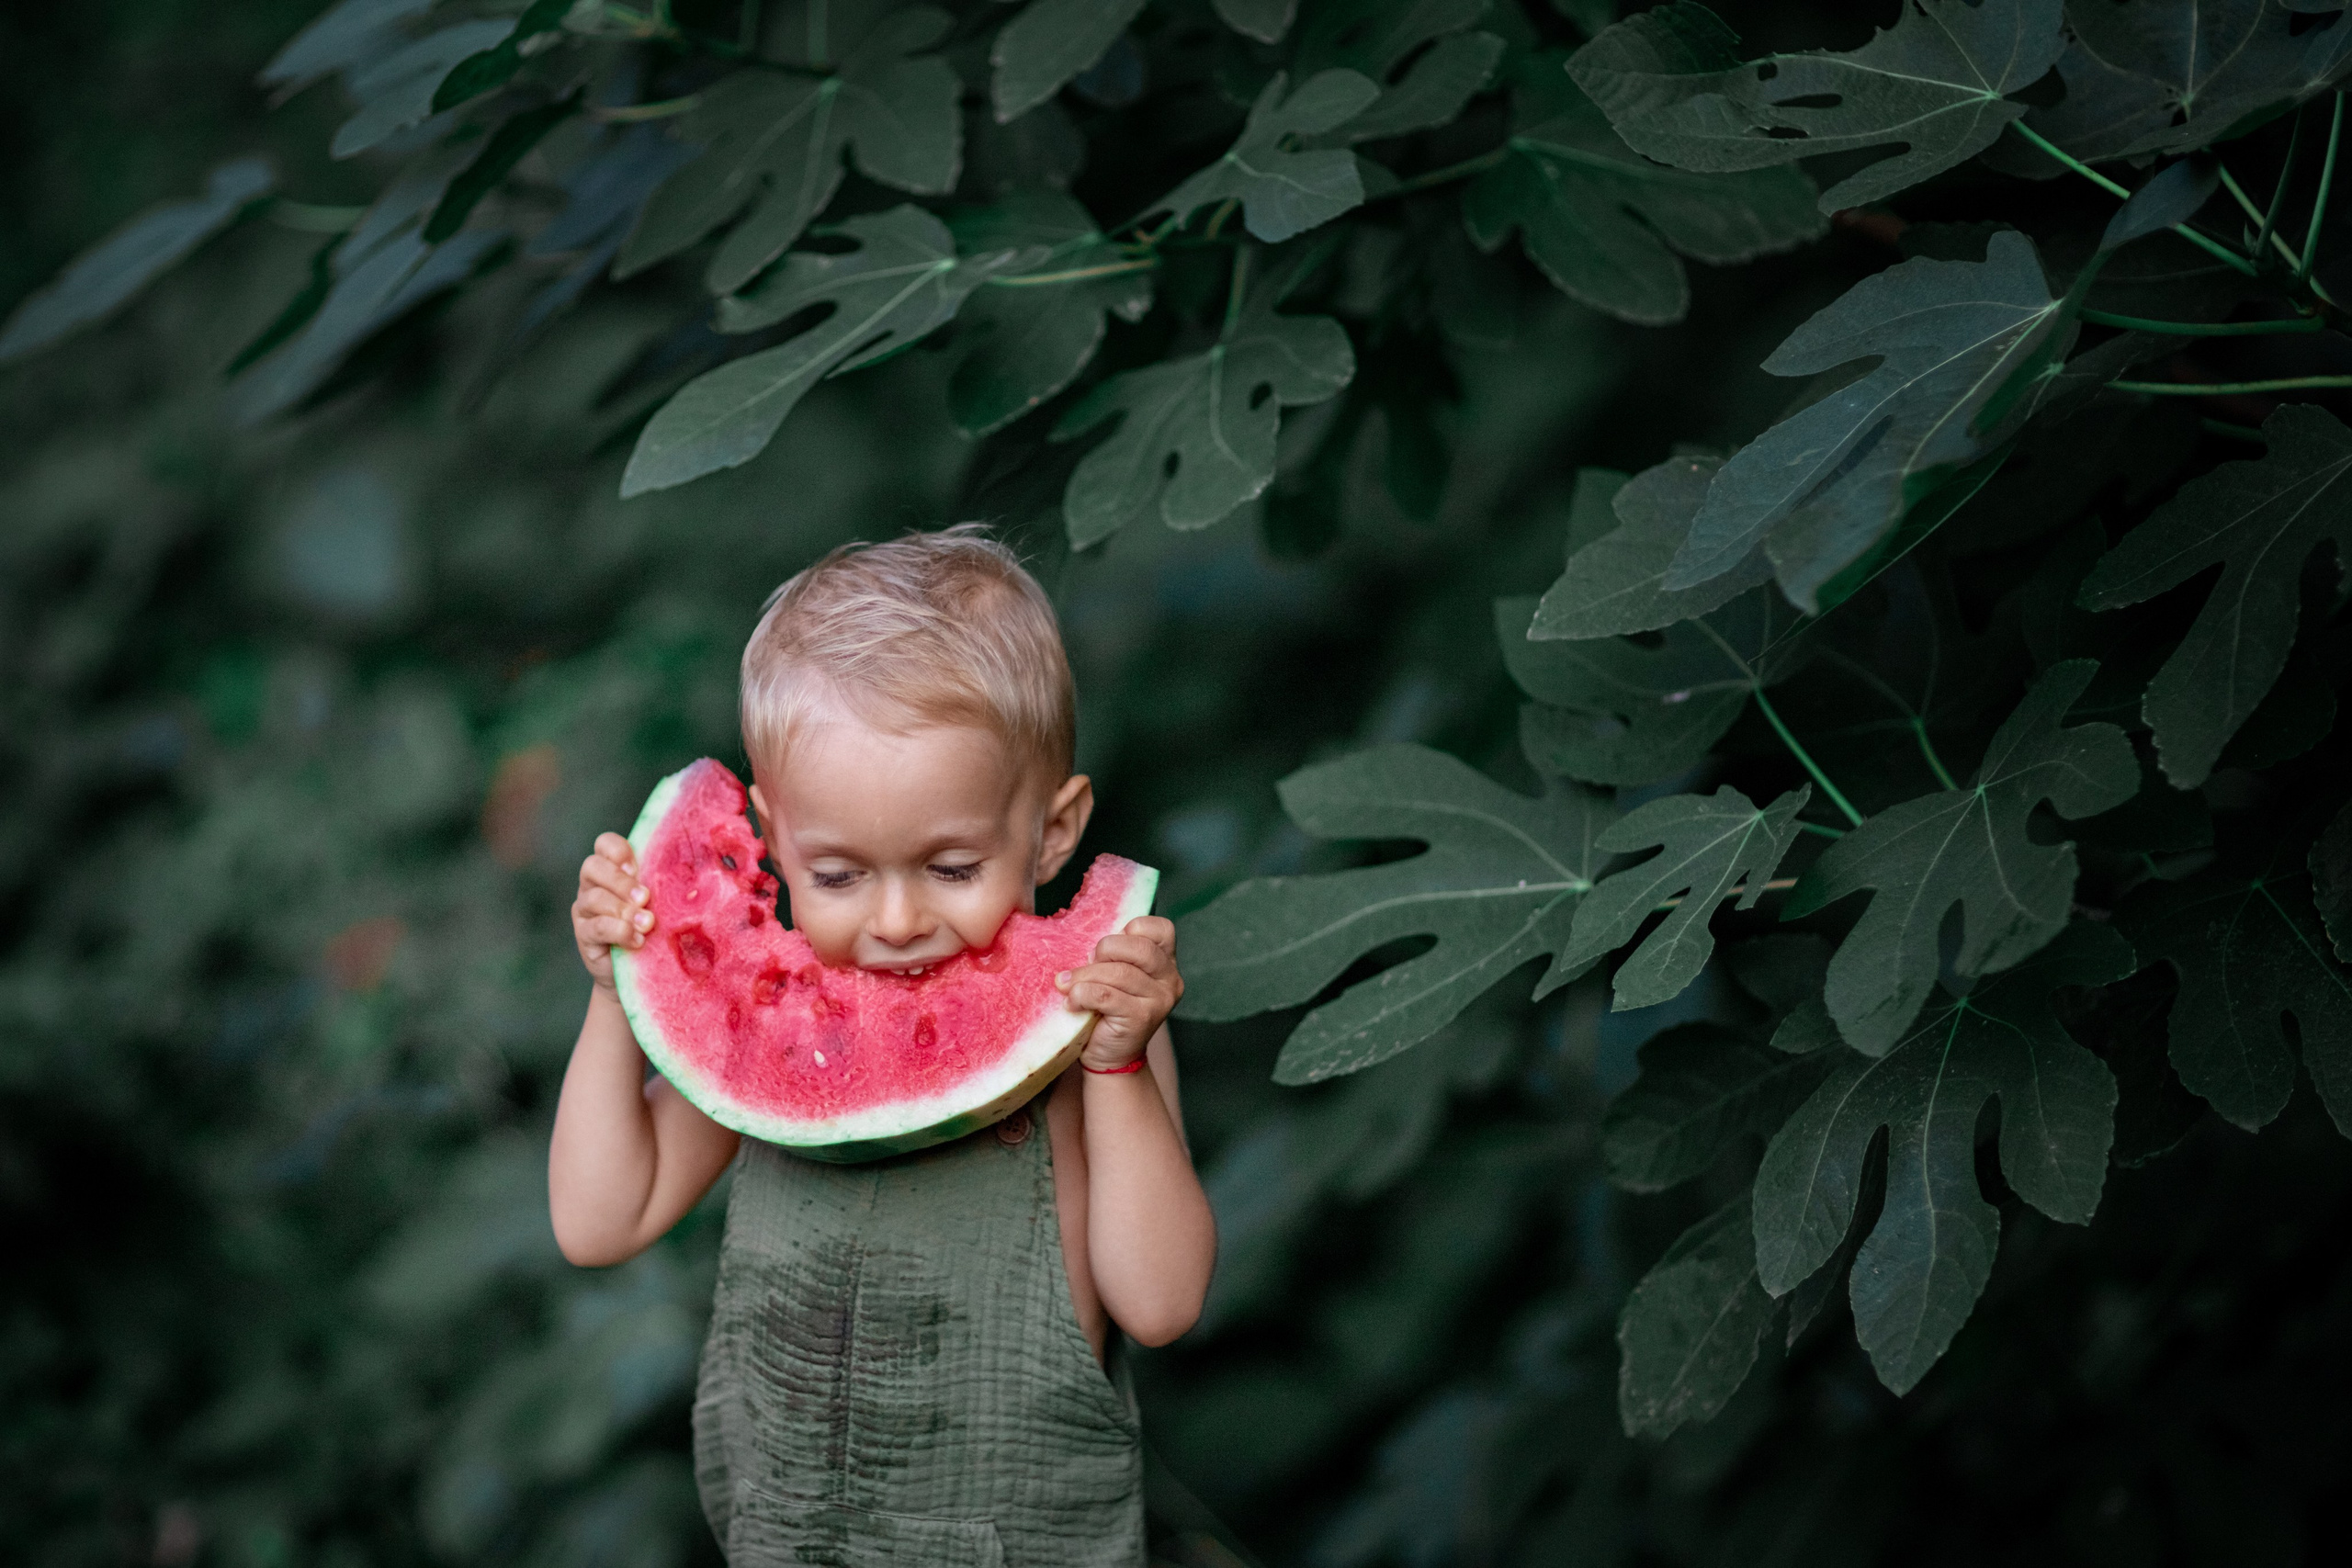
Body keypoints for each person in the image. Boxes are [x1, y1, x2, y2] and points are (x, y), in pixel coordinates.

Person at [549, 525, 1215, 1566]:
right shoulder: (774, 1035)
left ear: (1052, 830)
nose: (897, 920)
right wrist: (615, 992)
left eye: (951, 868)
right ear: (770, 838)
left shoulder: (1089, 1025)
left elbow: (1161, 1304)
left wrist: (1121, 1066)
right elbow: (600, 1220)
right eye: (839, 876)